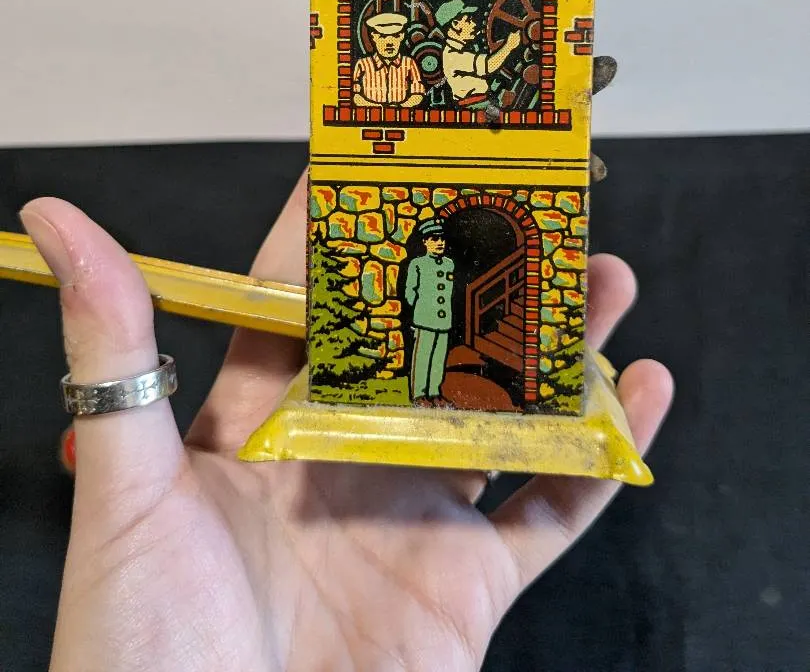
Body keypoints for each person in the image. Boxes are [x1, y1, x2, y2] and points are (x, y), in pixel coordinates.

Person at [20, 178, 672, 671]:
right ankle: (423, 390)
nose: (437, 248)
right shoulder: (421, 267)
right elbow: (413, 294)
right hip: (419, 326)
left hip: (446, 326)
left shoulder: (447, 267)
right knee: (422, 361)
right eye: (433, 243)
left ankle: (430, 389)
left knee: (442, 355)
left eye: (440, 244)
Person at [404, 218, 455, 407]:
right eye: (434, 239)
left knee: (438, 358)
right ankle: (419, 394)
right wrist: (418, 310)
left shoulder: (449, 264)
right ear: (425, 242)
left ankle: (434, 392)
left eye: (442, 239)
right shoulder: (417, 264)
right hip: (424, 319)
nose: (440, 242)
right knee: (422, 356)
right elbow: (410, 292)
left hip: (443, 320)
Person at [437, 0, 522, 109]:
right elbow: (489, 66)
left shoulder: (459, 51)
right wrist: (509, 45)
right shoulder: (453, 56)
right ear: (455, 24)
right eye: (468, 20)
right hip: (475, 106)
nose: (473, 24)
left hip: (481, 102)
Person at [353, 11, 424, 107]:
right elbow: (355, 96)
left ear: (402, 36)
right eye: (383, 36)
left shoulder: (409, 63)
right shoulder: (363, 64)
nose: (389, 42)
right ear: (374, 36)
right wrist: (376, 108)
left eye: (395, 36)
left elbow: (418, 94)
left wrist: (399, 107)